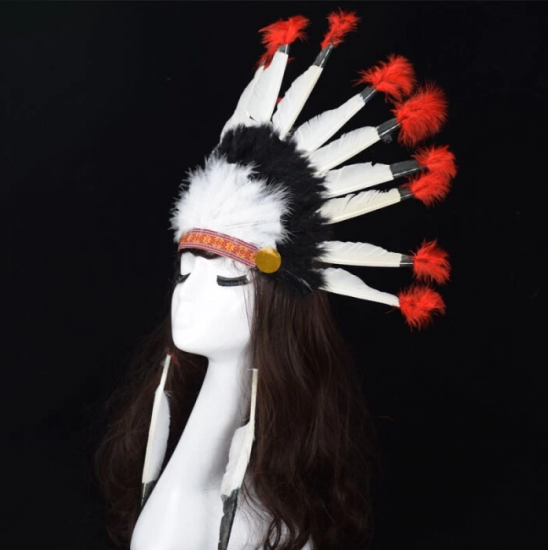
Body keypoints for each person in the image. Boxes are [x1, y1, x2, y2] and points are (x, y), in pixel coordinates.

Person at [95, 10, 455, 550]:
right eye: (184, 274)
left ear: (275, 300)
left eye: (225, 281)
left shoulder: (249, 514)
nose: (187, 297)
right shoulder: (190, 512)